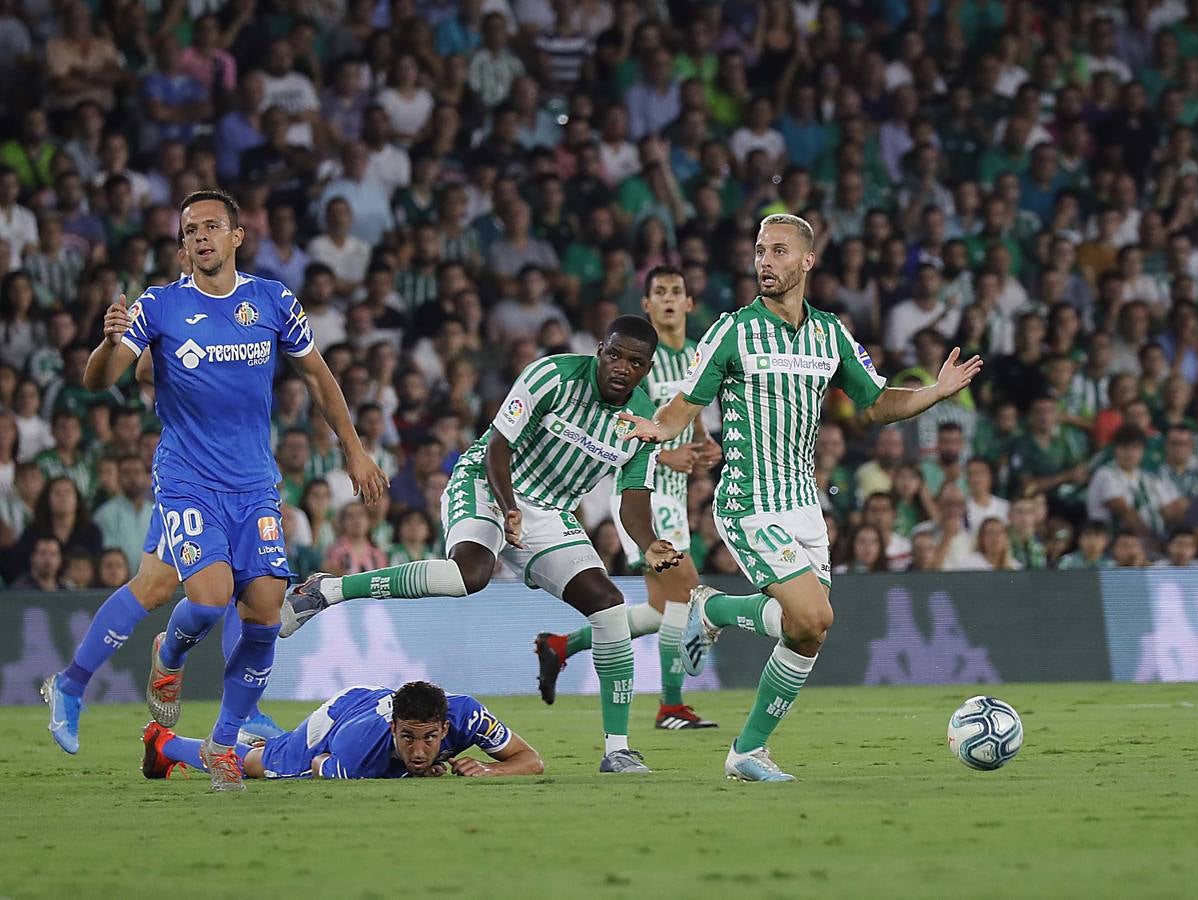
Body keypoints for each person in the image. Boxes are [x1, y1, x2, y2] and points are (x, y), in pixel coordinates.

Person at [41, 190, 387, 790]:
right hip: (187, 480)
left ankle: (221, 738)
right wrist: (106, 342)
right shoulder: (160, 306)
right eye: (189, 230)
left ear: (236, 236)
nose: (200, 237)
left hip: (254, 483)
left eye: (210, 227)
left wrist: (353, 447)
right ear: (182, 245)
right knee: (205, 597)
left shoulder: (273, 301)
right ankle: (163, 662)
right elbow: (103, 380)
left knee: (259, 605)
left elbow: (318, 376)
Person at [618, 214, 982, 781]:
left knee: (808, 630)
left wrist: (934, 392)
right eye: (760, 250)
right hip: (747, 502)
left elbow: (878, 402)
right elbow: (684, 405)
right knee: (812, 613)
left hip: (803, 506)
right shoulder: (732, 331)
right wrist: (655, 428)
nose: (765, 261)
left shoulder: (830, 333)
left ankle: (743, 741)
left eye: (779, 251)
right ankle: (711, 619)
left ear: (807, 262)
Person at [280, 316, 682, 773]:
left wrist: (648, 543)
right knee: (466, 576)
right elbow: (498, 446)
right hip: (488, 484)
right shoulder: (551, 375)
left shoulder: (643, 422)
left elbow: (633, 499)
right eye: (614, 354)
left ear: (646, 369)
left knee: (609, 606)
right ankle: (328, 590)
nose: (620, 367)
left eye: (634, 362)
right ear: (599, 349)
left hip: (549, 513)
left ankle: (617, 750)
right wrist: (508, 507)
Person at [534, 266, 721, 730]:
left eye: (677, 291)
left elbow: (693, 421)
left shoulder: (699, 358)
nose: (670, 299)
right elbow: (618, 435)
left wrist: (706, 445)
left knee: (663, 608)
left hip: (677, 496)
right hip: (640, 494)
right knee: (685, 593)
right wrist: (664, 457)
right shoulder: (634, 362)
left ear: (689, 303)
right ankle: (671, 705)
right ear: (648, 305)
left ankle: (563, 645)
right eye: (660, 292)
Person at [141, 681, 543, 781]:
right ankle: (166, 742)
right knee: (261, 766)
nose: (419, 751)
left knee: (273, 750)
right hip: (337, 723)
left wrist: (493, 770)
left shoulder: (470, 715)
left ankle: (268, 738)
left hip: (372, 703)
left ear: (447, 727)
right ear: (393, 728)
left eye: (429, 739)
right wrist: (408, 772)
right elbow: (320, 764)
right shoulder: (358, 751)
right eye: (407, 738)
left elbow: (531, 760)